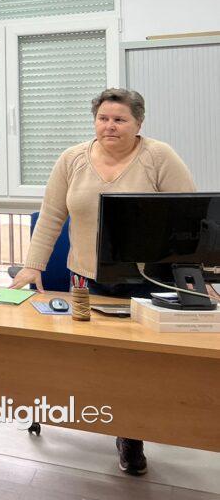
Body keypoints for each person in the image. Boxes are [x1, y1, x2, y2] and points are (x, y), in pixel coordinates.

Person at [11, 87, 195, 476]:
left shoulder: (158, 157)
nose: (109, 126)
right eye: (103, 118)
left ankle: (131, 435)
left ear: (138, 123)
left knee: (137, 365)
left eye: (120, 119)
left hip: (145, 281)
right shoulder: (72, 159)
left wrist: (195, 276)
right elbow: (51, 215)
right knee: (96, 357)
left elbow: (188, 219)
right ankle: (100, 412)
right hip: (86, 280)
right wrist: (32, 265)